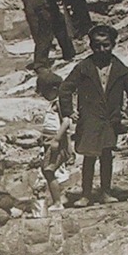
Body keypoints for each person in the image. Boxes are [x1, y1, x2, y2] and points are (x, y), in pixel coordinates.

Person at [59, 24, 128, 205]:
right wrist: (69, 112)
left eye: (106, 45)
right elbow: (65, 89)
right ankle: (86, 194)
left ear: (113, 45)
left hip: (111, 119)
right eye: (97, 46)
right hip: (89, 118)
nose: (101, 50)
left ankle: (105, 192)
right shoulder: (84, 66)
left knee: (106, 155)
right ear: (91, 46)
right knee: (89, 157)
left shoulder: (120, 68)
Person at [35, 67, 76, 209]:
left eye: (45, 93)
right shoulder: (53, 103)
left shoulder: (60, 103)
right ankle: (57, 200)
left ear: (54, 88)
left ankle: (57, 202)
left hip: (56, 141)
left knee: (48, 170)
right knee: (47, 170)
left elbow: (66, 122)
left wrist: (57, 140)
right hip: (49, 140)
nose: (44, 96)